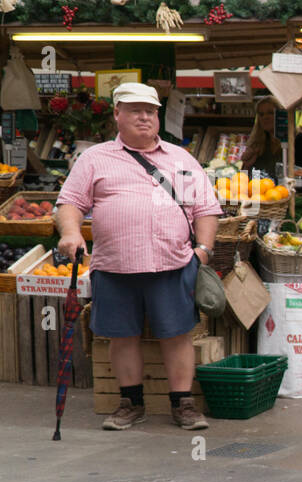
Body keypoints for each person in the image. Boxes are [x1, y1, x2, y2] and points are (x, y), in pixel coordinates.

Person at [54, 82, 222, 432]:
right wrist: (71, 233)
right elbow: (69, 203)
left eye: (151, 111)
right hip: (114, 266)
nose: (144, 117)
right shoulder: (95, 158)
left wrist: (202, 252)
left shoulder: (180, 159)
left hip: (173, 264)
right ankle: (130, 403)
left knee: (177, 335)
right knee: (121, 336)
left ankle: (183, 404)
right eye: (135, 110)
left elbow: (206, 208)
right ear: (117, 114)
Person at [240, 98, 283, 177]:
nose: (265, 117)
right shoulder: (257, 145)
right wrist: (247, 165)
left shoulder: (298, 141)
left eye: (270, 113)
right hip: (261, 188)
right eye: (261, 114)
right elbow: (243, 179)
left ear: (281, 115)